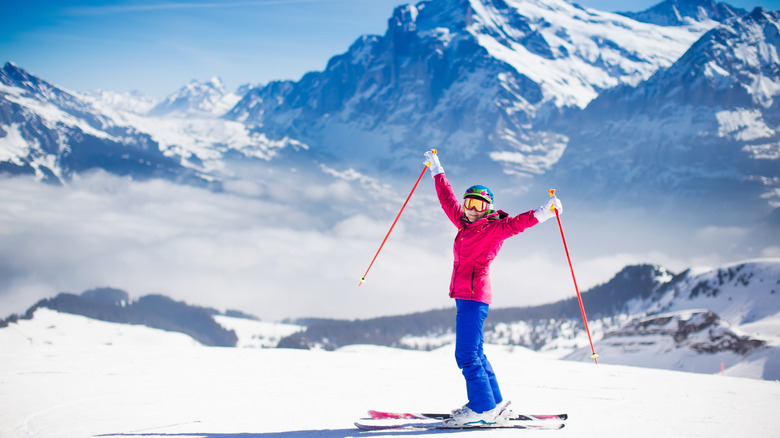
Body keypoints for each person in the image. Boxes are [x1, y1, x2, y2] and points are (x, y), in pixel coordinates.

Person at [423, 150, 562, 428]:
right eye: (469, 203)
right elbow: (446, 199)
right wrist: (437, 170)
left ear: (488, 208)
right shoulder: (463, 222)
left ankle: (481, 408)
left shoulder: (493, 229)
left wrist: (544, 213)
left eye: (480, 205)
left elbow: (517, 224)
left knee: (465, 354)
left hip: (474, 297)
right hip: (466, 296)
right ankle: (495, 404)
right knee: (476, 351)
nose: (473, 209)